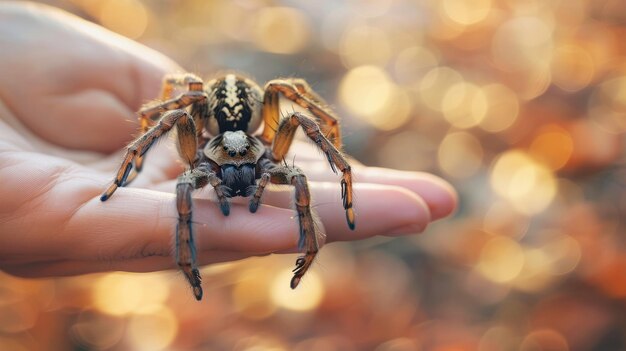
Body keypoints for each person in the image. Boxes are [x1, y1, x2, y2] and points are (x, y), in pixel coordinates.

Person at [0, 3, 457, 279]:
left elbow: (306, 118)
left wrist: (338, 159)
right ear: (201, 147)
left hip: (249, 124)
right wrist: (131, 164)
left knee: (285, 90)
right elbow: (161, 114)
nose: (239, 169)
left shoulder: (271, 144)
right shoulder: (195, 135)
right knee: (183, 103)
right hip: (209, 119)